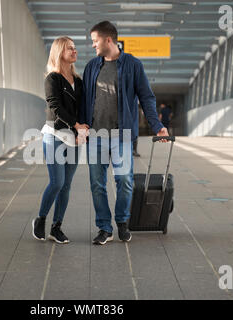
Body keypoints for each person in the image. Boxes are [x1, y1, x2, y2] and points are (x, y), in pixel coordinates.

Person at [81, 21, 169, 245]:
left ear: (108, 40)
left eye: (95, 41)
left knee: (124, 180)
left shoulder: (132, 65)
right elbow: (84, 100)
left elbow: (146, 97)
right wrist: (80, 126)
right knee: (97, 184)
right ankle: (104, 227)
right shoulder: (92, 66)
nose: (93, 45)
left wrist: (157, 126)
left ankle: (122, 222)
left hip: (121, 136)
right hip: (96, 136)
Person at [32, 36, 89, 244]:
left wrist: (82, 129)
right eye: (70, 49)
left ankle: (57, 227)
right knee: (57, 182)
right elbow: (55, 106)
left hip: (75, 137)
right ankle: (41, 219)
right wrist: (75, 125)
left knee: (66, 185)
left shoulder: (79, 82)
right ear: (59, 52)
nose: (75, 51)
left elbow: (83, 109)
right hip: (54, 135)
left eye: (75, 48)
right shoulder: (52, 79)